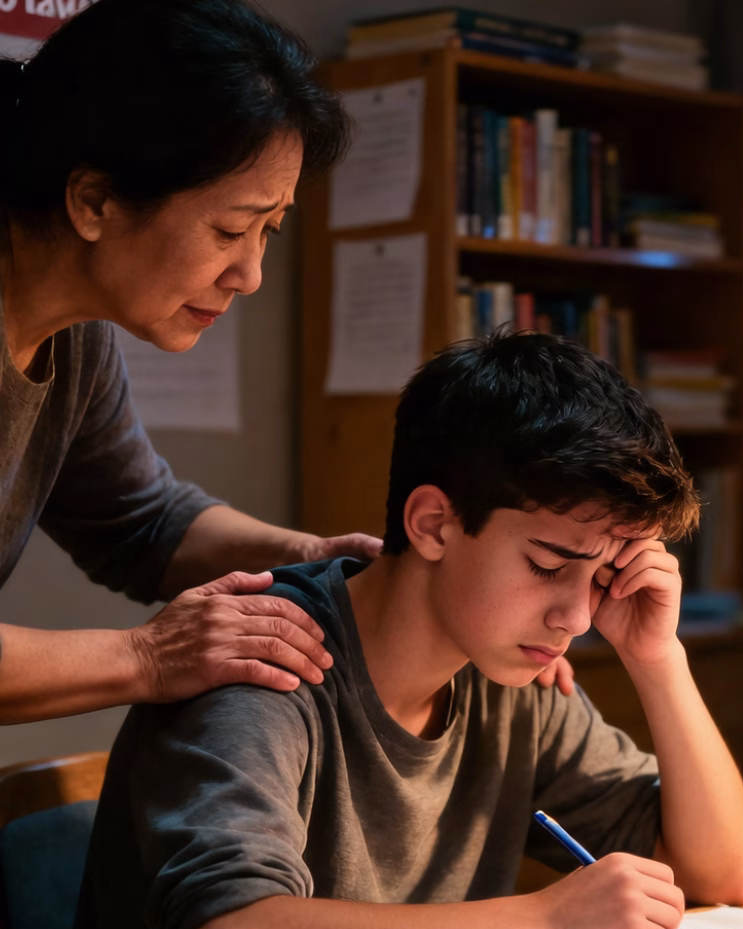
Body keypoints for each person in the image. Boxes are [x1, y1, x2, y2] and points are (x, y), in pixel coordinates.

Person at [50, 330, 743, 929]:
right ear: (432, 524)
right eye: (549, 565)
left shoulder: (508, 671)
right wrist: (547, 920)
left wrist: (657, 659)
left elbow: (723, 874)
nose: (577, 617)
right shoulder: (259, 658)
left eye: (602, 576)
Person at [0, 0, 558, 729]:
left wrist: (320, 564)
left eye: (269, 229)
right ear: (94, 200)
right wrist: (151, 657)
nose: (250, 274)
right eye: (230, 228)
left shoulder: (76, 340)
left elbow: (142, 523)